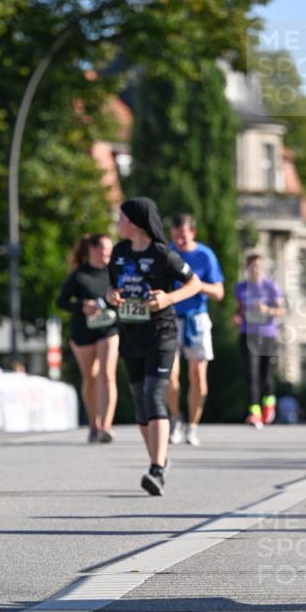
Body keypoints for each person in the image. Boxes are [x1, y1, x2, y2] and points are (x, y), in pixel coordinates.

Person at [107, 197, 201, 495]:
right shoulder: (120, 252)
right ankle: (159, 460)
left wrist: (168, 298)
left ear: (134, 222)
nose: (118, 223)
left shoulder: (163, 254)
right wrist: (113, 296)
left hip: (161, 333)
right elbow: (114, 286)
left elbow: (195, 284)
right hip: (130, 334)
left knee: (154, 394)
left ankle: (156, 469)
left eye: (121, 218)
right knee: (140, 402)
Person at [167, 214, 224, 447]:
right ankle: (175, 419)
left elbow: (219, 292)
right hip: (170, 318)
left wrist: (198, 286)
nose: (179, 240)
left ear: (193, 233)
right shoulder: (167, 253)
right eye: (176, 234)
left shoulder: (204, 255)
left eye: (184, 235)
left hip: (197, 319)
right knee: (170, 374)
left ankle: (192, 425)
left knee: (197, 376)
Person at [57, 233, 119, 442]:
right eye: (104, 249)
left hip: (109, 328)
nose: (107, 254)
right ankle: (94, 424)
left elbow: (125, 295)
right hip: (83, 330)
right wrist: (82, 306)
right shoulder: (79, 275)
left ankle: (106, 427)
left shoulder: (115, 273)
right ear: (92, 249)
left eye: (110, 250)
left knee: (107, 374)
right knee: (90, 377)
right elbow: (62, 302)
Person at [233, 254, 286, 428]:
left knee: (266, 376)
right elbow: (239, 309)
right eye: (252, 266)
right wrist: (237, 317)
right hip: (248, 334)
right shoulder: (240, 288)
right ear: (247, 268)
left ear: (263, 267)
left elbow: (281, 310)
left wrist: (267, 310)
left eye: (258, 266)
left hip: (267, 335)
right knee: (251, 374)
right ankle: (254, 412)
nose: (255, 269)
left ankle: (268, 405)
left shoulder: (271, 287)